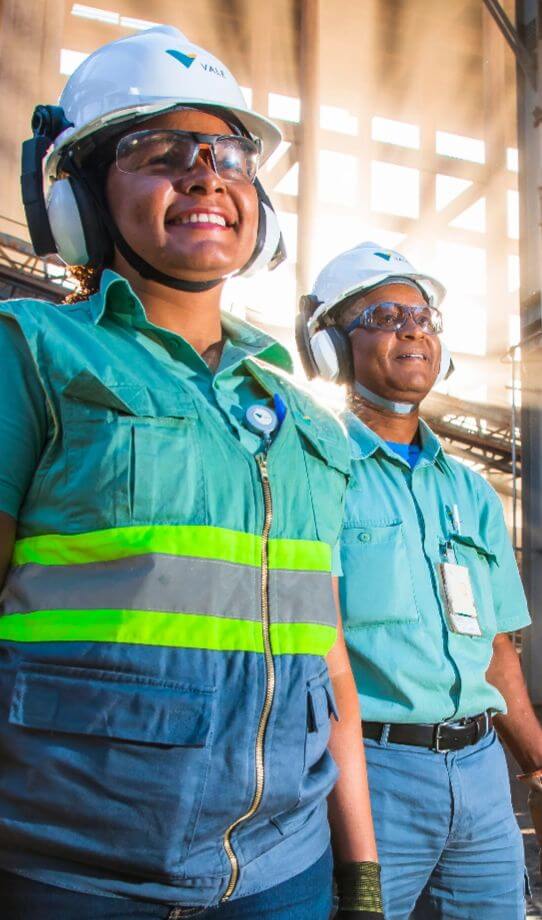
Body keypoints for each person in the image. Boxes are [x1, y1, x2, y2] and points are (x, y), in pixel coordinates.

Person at [0, 31, 384, 919]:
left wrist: (359, 880)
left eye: (231, 159)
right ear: (80, 197)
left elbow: (328, 674)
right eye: (159, 154)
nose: (208, 176)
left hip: (283, 870)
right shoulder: (34, 354)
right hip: (68, 875)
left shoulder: (302, 415)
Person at [296, 240, 542, 919]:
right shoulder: (315, 471)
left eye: (425, 317)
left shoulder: (469, 490)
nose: (413, 330)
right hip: (371, 774)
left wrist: (537, 765)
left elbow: (496, 646)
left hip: (484, 773)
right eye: (383, 314)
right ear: (331, 348)